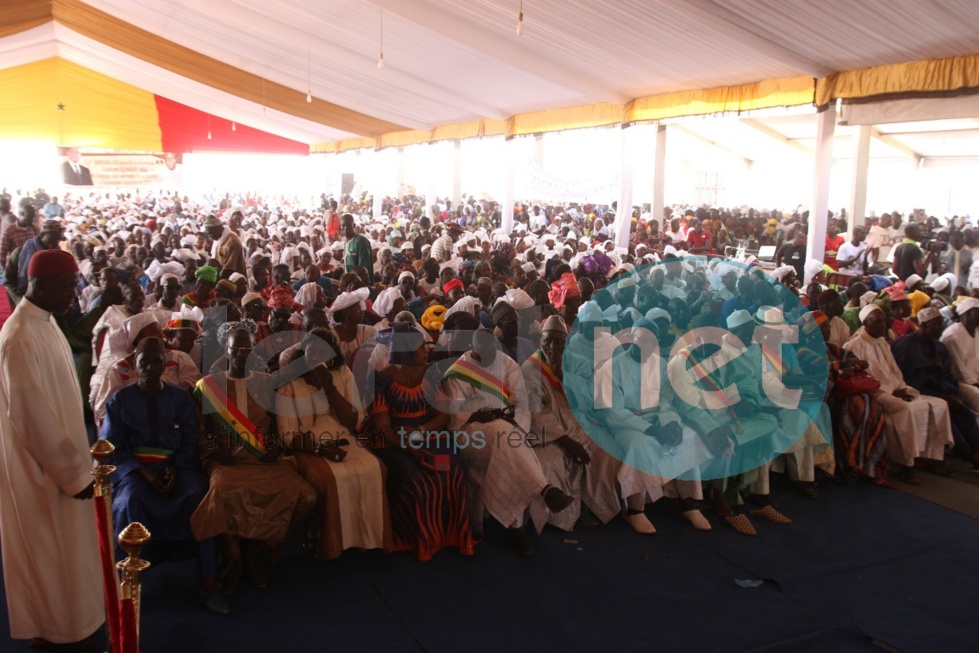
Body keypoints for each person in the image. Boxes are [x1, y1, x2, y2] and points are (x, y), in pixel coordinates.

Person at [0, 249, 103, 650]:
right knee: (48, 558)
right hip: (41, 472)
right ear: (40, 286)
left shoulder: (46, 322)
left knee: (70, 558)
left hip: (65, 462)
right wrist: (74, 472)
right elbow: (30, 417)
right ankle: (55, 633)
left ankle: (75, 622)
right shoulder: (21, 336)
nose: (73, 295)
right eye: (66, 287)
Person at [100, 337, 227, 614]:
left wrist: (175, 467)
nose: (150, 366)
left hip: (177, 468)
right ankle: (128, 584)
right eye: (144, 361)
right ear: (135, 364)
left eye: (156, 360)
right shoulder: (120, 401)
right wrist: (142, 471)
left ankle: (209, 584)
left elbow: (190, 438)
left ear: (164, 364)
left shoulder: (180, 398)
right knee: (130, 501)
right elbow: (112, 448)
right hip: (136, 471)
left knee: (199, 498)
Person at [190, 322, 317, 593]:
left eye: (248, 348)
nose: (242, 354)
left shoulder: (266, 382)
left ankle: (252, 551)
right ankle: (237, 557)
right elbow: (201, 432)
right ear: (226, 349)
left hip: (263, 460)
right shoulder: (208, 386)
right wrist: (214, 450)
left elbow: (275, 425)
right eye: (237, 349)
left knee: (306, 495)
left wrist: (273, 446)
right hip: (229, 463)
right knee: (222, 491)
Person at [439, 327, 574, 555]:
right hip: (473, 434)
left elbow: (521, 402)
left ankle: (517, 527)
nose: (491, 357)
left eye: (494, 350)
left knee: (508, 444)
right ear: (473, 350)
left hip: (510, 431)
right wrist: (478, 415)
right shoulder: (458, 373)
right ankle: (541, 493)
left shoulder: (507, 363)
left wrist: (510, 420)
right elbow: (456, 417)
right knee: (509, 439)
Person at [276, 329, 391, 559]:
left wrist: (330, 388)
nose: (318, 358)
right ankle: (334, 543)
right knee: (329, 479)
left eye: (323, 353)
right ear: (303, 354)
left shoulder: (342, 374)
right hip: (308, 447)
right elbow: (287, 436)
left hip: (343, 437)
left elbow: (353, 421)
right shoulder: (289, 384)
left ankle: (365, 538)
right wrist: (320, 449)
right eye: (312, 352)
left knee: (376, 468)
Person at [366, 322, 474, 560]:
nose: (427, 351)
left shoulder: (431, 374)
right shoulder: (381, 380)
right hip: (393, 441)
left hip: (428, 433)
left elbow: (443, 415)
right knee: (415, 476)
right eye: (420, 348)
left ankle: (451, 535)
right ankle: (417, 539)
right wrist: (408, 445)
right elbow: (382, 427)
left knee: (451, 467)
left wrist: (421, 431)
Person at [843, 304, 954, 484]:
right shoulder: (854, 345)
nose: (882, 324)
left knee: (939, 404)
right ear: (865, 323)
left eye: (883, 321)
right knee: (904, 410)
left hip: (897, 389)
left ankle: (929, 457)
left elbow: (895, 371)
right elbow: (861, 379)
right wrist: (892, 391)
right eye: (876, 321)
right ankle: (906, 465)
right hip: (876, 393)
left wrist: (901, 387)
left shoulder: (882, 342)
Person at [892, 307, 979, 469]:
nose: (940, 329)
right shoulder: (904, 346)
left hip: (942, 389)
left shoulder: (939, 347)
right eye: (936, 325)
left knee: (964, 407)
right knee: (945, 410)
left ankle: (976, 448)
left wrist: (952, 392)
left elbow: (947, 375)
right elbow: (903, 377)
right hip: (919, 390)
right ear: (923, 325)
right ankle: (968, 455)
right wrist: (940, 394)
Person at [810, 311, 888, 484]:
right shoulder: (805, 349)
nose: (827, 331)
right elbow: (817, 375)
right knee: (858, 408)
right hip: (827, 397)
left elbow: (856, 361)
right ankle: (850, 463)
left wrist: (851, 367)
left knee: (871, 406)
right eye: (823, 327)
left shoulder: (831, 348)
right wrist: (839, 369)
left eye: (828, 326)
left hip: (846, 393)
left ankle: (868, 463)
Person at [341, 213, 373, 284]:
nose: (345, 228)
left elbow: (364, 268)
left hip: (359, 284)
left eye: (348, 225)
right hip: (349, 284)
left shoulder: (361, 241)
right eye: (343, 226)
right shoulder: (346, 241)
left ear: (354, 226)